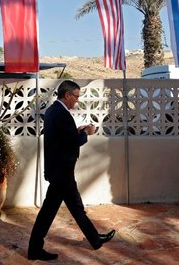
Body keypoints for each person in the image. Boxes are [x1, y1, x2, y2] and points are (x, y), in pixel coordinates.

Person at [28, 80, 116, 261]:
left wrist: (75, 130)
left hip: (62, 171)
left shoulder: (54, 110)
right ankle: (34, 249)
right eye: (76, 96)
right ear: (67, 95)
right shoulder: (61, 113)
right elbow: (72, 142)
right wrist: (87, 133)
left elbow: (62, 137)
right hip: (61, 173)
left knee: (76, 208)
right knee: (48, 212)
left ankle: (94, 238)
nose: (77, 100)